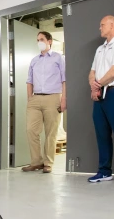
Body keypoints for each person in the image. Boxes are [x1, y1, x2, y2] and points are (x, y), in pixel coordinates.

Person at [87, 16, 114, 186]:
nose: (100, 28)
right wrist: (94, 86)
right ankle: (104, 171)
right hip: (100, 95)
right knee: (102, 134)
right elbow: (92, 72)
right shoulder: (100, 49)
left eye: (102, 25)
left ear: (112, 25)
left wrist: (97, 85)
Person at [21, 31, 66, 174]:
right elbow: (29, 80)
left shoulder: (59, 58)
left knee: (50, 132)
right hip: (35, 98)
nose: (39, 42)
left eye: (41, 39)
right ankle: (36, 162)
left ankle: (48, 163)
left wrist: (63, 99)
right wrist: (30, 98)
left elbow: (65, 80)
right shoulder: (34, 60)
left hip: (53, 98)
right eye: (37, 40)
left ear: (49, 41)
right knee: (31, 130)